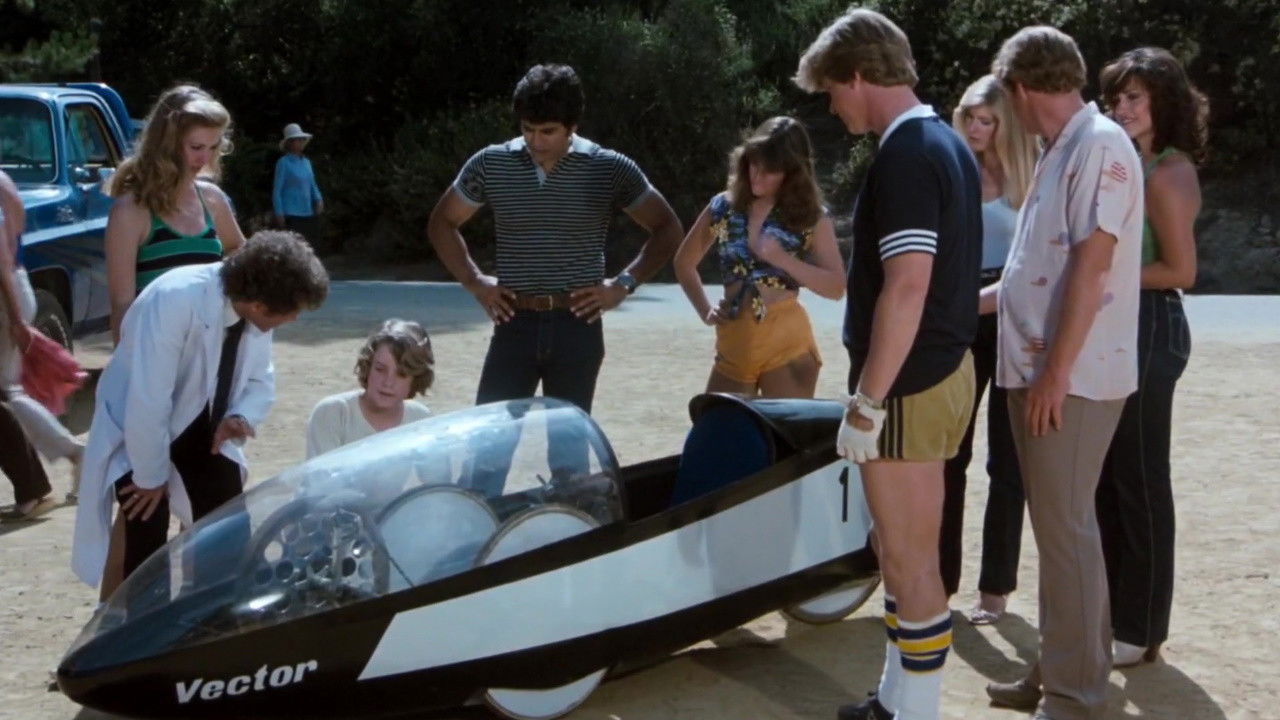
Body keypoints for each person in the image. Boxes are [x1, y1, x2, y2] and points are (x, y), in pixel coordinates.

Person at [795, 9, 981, 720]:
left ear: (857, 75)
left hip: (908, 381)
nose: (832, 107)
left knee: (909, 559)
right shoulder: (945, 142)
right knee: (897, 550)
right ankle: (897, 699)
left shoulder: (908, 154)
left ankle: (915, 711)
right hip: (937, 370)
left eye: (831, 91)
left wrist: (867, 400)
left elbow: (907, 287)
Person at [982, 27, 1144, 720]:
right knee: (1058, 529)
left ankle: (1076, 695)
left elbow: (1092, 264)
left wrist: (1054, 372)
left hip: (1068, 378)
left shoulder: (1098, 145)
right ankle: (1058, 669)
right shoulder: (1062, 148)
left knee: (1067, 530)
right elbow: (1033, 267)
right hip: (1038, 369)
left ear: (1021, 89)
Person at [427, 64, 681, 489]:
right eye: (528, 129)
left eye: (548, 131)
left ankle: (567, 525)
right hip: (514, 323)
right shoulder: (491, 163)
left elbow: (668, 227)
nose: (535, 141)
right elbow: (442, 222)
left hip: (577, 326)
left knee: (568, 458)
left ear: (572, 127)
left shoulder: (608, 168)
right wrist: (474, 282)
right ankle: (475, 527)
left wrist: (623, 285)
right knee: (488, 448)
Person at [71, 231, 328, 595]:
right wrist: (150, 476)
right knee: (145, 527)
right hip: (137, 426)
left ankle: (210, 613)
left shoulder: (253, 312)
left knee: (226, 527)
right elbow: (149, 399)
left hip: (205, 423)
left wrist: (241, 415)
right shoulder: (176, 299)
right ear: (259, 304)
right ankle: (130, 621)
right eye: (293, 312)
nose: (295, 319)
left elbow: (260, 377)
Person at [1095, 47, 1206, 668]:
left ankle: (1141, 631)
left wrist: (1099, 278)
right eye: (1116, 97)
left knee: (1138, 479)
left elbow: (1181, 271)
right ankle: (1117, 618)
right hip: (1119, 325)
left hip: (1152, 326)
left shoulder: (1169, 171)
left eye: (1134, 96)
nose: (1122, 108)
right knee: (1109, 479)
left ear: (1164, 101)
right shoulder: (1128, 162)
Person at [942, 75, 1037, 622]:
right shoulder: (954, 170)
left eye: (987, 120)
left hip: (1011, 316)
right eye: (969, 118)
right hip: (958, 315)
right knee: (949, 452)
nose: (976, 129)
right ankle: (940, 582)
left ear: (1005, 125)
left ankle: (995, 590)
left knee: (1007, 460)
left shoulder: (1029, 175)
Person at [673, 116, 845, 398]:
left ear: (792, 172)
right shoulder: (724, 207)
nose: (757, 175)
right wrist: (705, 310)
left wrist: (783, 259)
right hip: (735, 342)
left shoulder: (811, 217)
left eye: (770, 170)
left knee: (782, 428)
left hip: (787, 345)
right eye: (754, 163)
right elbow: (684, 263)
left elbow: (836, 287)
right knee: (718, 425)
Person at [104, 84, 246, 345]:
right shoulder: (131, 210)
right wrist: (127, 362)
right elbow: (122, 304)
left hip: (211, 349)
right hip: (156, 350)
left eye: (214, 147)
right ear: (166, 144)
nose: (205, 158)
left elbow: (239, 251)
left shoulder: (212, 199)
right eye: (196, 147)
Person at [0, 169, 84, 504]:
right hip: (16, 284)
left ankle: (70, 456)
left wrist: (16, 320)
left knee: (7, 392)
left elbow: (2, 259)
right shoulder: (5, 180)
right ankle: (50, 472)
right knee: (9, 390)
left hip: (6, 294)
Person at [306, 319, 433, 458]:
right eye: (380, 369)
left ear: (416, 378)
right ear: (368, 367)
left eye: (401, 374)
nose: (388, 382)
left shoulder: (421, 420)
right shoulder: (333, 414)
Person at [273, 123, 324, 244]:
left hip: (308, 212)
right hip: (291, 215)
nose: (301, 142)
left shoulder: (307, 162)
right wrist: (279, 213)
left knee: (309, 246)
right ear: (289, 143)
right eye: (298, 139)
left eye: (302, 139)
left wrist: (318, 199)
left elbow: (312, 184)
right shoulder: (283, 163)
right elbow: (277, 190)